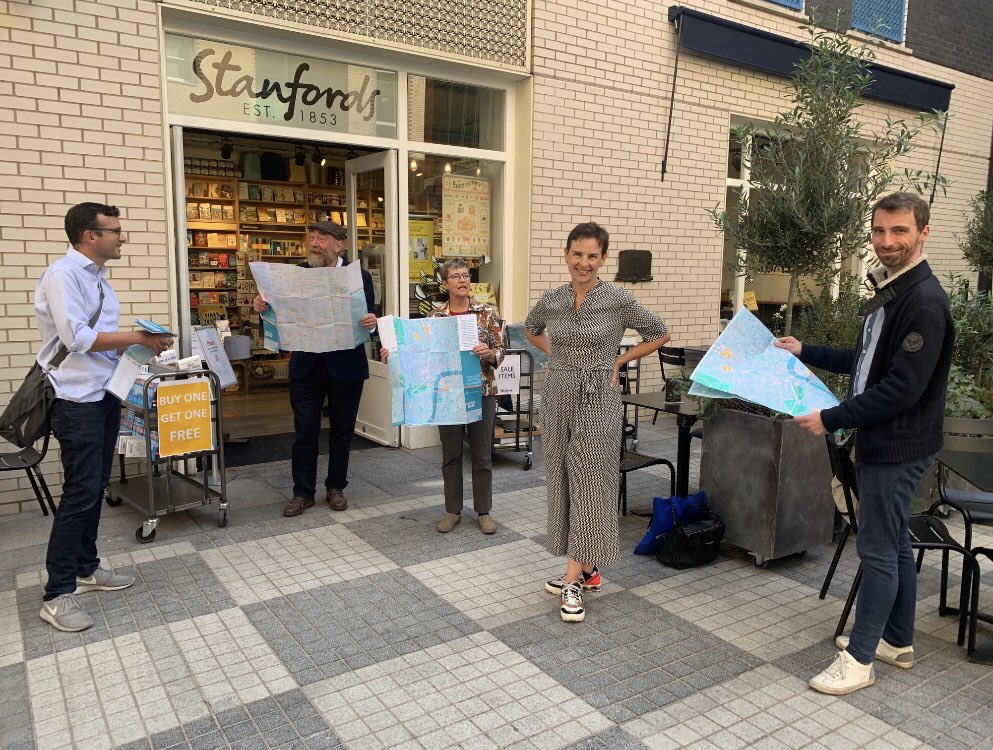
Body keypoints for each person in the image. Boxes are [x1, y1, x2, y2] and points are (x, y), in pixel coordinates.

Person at [775, 191, 954, 695]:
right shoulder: (893, 290)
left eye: (899, 231)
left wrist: (831, 417)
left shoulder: (924, 301)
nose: (887, 241)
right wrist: (806, 351)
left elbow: (901, 389)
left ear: (923, 232)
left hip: (896, 446)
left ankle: (860, 661)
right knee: (893, 543)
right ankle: (897, 641)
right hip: (889, 441)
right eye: (879, 231)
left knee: (876, 549)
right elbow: (868, 360)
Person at [36, 203, 174, 632]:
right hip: (75, 400)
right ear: (88, 235)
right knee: (79, 492)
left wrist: (137, 348)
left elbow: (100, 342)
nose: (122, 237)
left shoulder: (98, 278)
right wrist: (138, 335)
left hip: (103, 393)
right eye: (114, 230)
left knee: (95, 485)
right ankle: (57, 595)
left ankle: (86, 567)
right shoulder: (64, 275)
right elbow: (77, 339)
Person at [525, 222, 670, 622]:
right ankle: (586, 570)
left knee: (590, 482)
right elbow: (531, 328)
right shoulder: (552, 298)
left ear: (603, 259)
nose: (583, 263)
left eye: (592, 256)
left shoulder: (617, 298)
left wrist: (619, 361)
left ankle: (574, 579)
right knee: (562, 477)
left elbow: (659, 332)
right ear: (566, 254)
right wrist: (554, 355)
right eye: (577, 254)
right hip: (557, 393)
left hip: (598, 396)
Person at [253, 221, 376, 517]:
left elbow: (369, 317)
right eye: (312, 238)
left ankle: (336, 487)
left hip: (346, 367)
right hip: (306, 366)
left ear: (339, 244)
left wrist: (373, 322)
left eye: (322, 238)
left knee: (342, 431)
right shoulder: (295, 275)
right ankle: (302, 492)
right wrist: (262, 308)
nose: (315, 243)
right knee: (304, 431)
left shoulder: (358, 276)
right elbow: (277, 319)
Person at [380, 259, 505, 534]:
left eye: (466, 275)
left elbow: (501, 350)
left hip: (480, 391)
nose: (463, 280)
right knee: (451, 454)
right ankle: (452, 510)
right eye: (456, 276)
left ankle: (484, 512)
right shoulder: (435, 318)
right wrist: (395, 355)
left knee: (482, 454)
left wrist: (490, 352)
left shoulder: (485, 313)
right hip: (448, 394)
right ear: (445, 284)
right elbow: (421, 356)